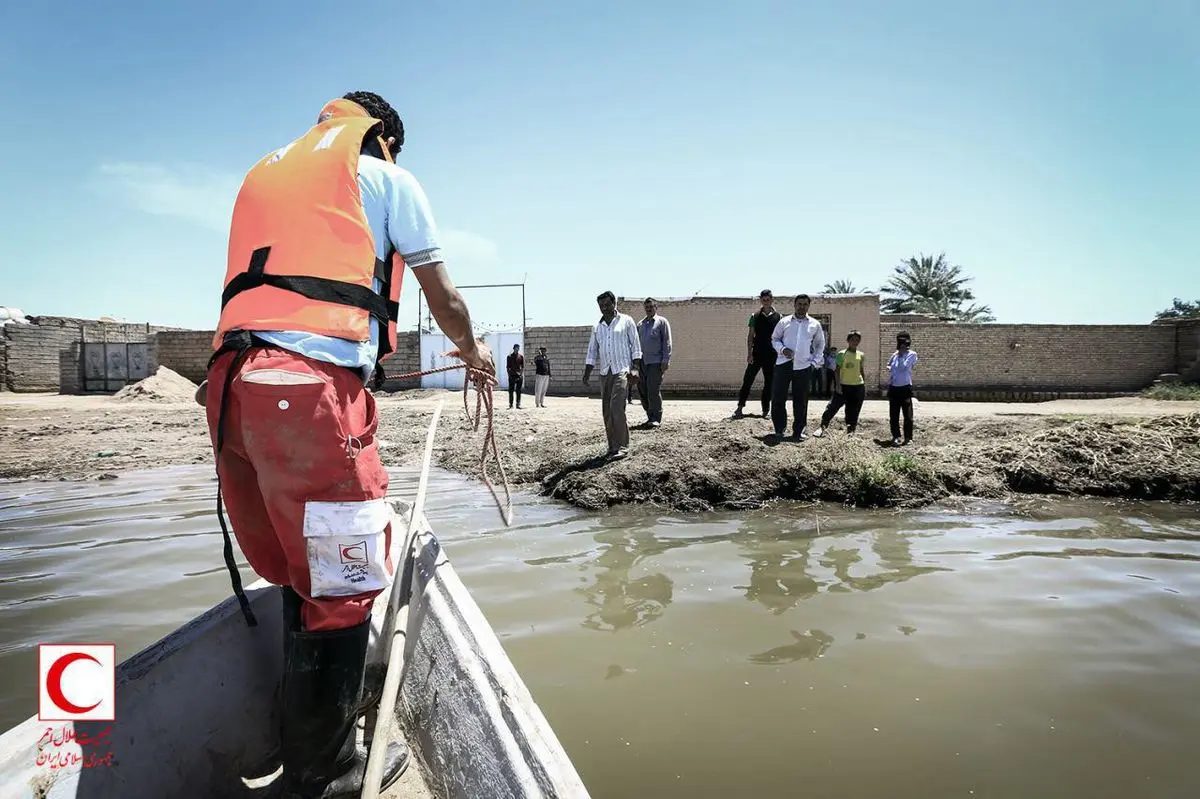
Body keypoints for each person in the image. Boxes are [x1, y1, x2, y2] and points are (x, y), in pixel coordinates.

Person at [203, 91, 495, 799]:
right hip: (305, 395)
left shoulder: (266, 172)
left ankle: (311, 714)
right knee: (344, 571)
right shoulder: (387, 177)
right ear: (384, 137)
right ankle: (325, 770)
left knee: (302, 569)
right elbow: (443, 297)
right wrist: (475, 351)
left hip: (231, 388)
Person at [583, 291, 642, 459]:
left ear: (614, 303)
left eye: (607, 304)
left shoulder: (626, 321)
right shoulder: (598, 327)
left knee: (617, 406)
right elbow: (592, 352)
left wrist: (635, 368)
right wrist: (587, 373)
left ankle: (623, 446)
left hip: (621, 370)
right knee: (607, 411)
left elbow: (635, 346)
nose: (604, 308)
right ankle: (612, 446)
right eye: (601, 306)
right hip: (605, 373)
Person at [769, 294, 826, 440]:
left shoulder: (815, 324)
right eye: (799, 304)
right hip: (783, 365)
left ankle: (798, 431)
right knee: (778, 399)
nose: (802, 307)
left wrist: (813, 362)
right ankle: (779, 430)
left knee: (801, 401)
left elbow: (820, 345)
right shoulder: (784, 322)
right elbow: (774, 339)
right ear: (794, 305)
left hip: (803, 367)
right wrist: (782, 349)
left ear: (808, 306)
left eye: (805, 304)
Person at [734, 290, 781, 418]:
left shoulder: (779, 317)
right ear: (761, 300)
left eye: (768, 299)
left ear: (772, 299)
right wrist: (749, 354)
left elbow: (781, 337)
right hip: (756, 354)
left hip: (772, 355)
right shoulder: (755, 316)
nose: (765, 302)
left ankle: (766, 411)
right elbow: (750, 337)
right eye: (763, 300)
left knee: (769, 383)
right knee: (747, 380)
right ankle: (739, 407)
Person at [814, 330, 867, 436]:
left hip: (858, 387)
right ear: (848, 340)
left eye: (857, 340)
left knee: (853, 411)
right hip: (843, 386)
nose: (855, 342)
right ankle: (822, 427)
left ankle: (851, 432)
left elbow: (861, 370)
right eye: (852, 340)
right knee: (832, 407)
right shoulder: (841, 354)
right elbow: (837, 371)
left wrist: (864, 384)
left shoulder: (861, 355)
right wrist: (838, 386)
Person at [636, 297, 672, 427]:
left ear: (656, 307)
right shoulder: (640, 324)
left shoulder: (662, 322)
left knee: (652, 390)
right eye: (646, 307)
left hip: (656, 362)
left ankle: (656, 418)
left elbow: (666, 342)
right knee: (642, 390)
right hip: (642, 363)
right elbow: (635, 344)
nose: (649, 309)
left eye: (651, 307)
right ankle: (649, 416)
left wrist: (665, 360)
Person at [887, 331, 919, 445]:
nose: (903, 344)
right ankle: (896, 436)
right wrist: (891, 368)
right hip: (894, 388)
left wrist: (901, 355)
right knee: (894, 415)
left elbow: (903, 368)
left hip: (905, 388)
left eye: (905, 341)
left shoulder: (912, 354)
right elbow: (889, 365)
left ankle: (908, 438)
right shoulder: (894, 354)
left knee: (908, 415)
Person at [506, 344, 524, 409]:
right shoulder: (509, 356)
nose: (517, 349)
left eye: (518, 348)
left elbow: (522, 366)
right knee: (511, 391)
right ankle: (511, 404)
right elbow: (508, 367)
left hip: (518, 375)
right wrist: (509, 375)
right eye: (516, 348)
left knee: (518, 391)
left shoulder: (521, 356)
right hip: (512, 375)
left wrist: (521, 375)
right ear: (514, 348)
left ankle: (518, 404)